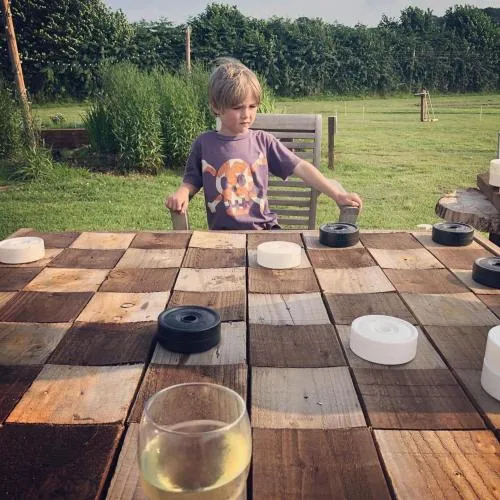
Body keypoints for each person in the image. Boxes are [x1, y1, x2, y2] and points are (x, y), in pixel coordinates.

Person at [165, 60, 362, 230]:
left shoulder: (263, 141)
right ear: (216, 106)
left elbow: (301, 167)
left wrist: (337, 195)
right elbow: (191, 180)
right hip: (222, 236)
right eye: (238, 107)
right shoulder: (204, 143)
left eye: (252, 106)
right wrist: (182, 192)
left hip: (264, 231)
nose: (247, 114)